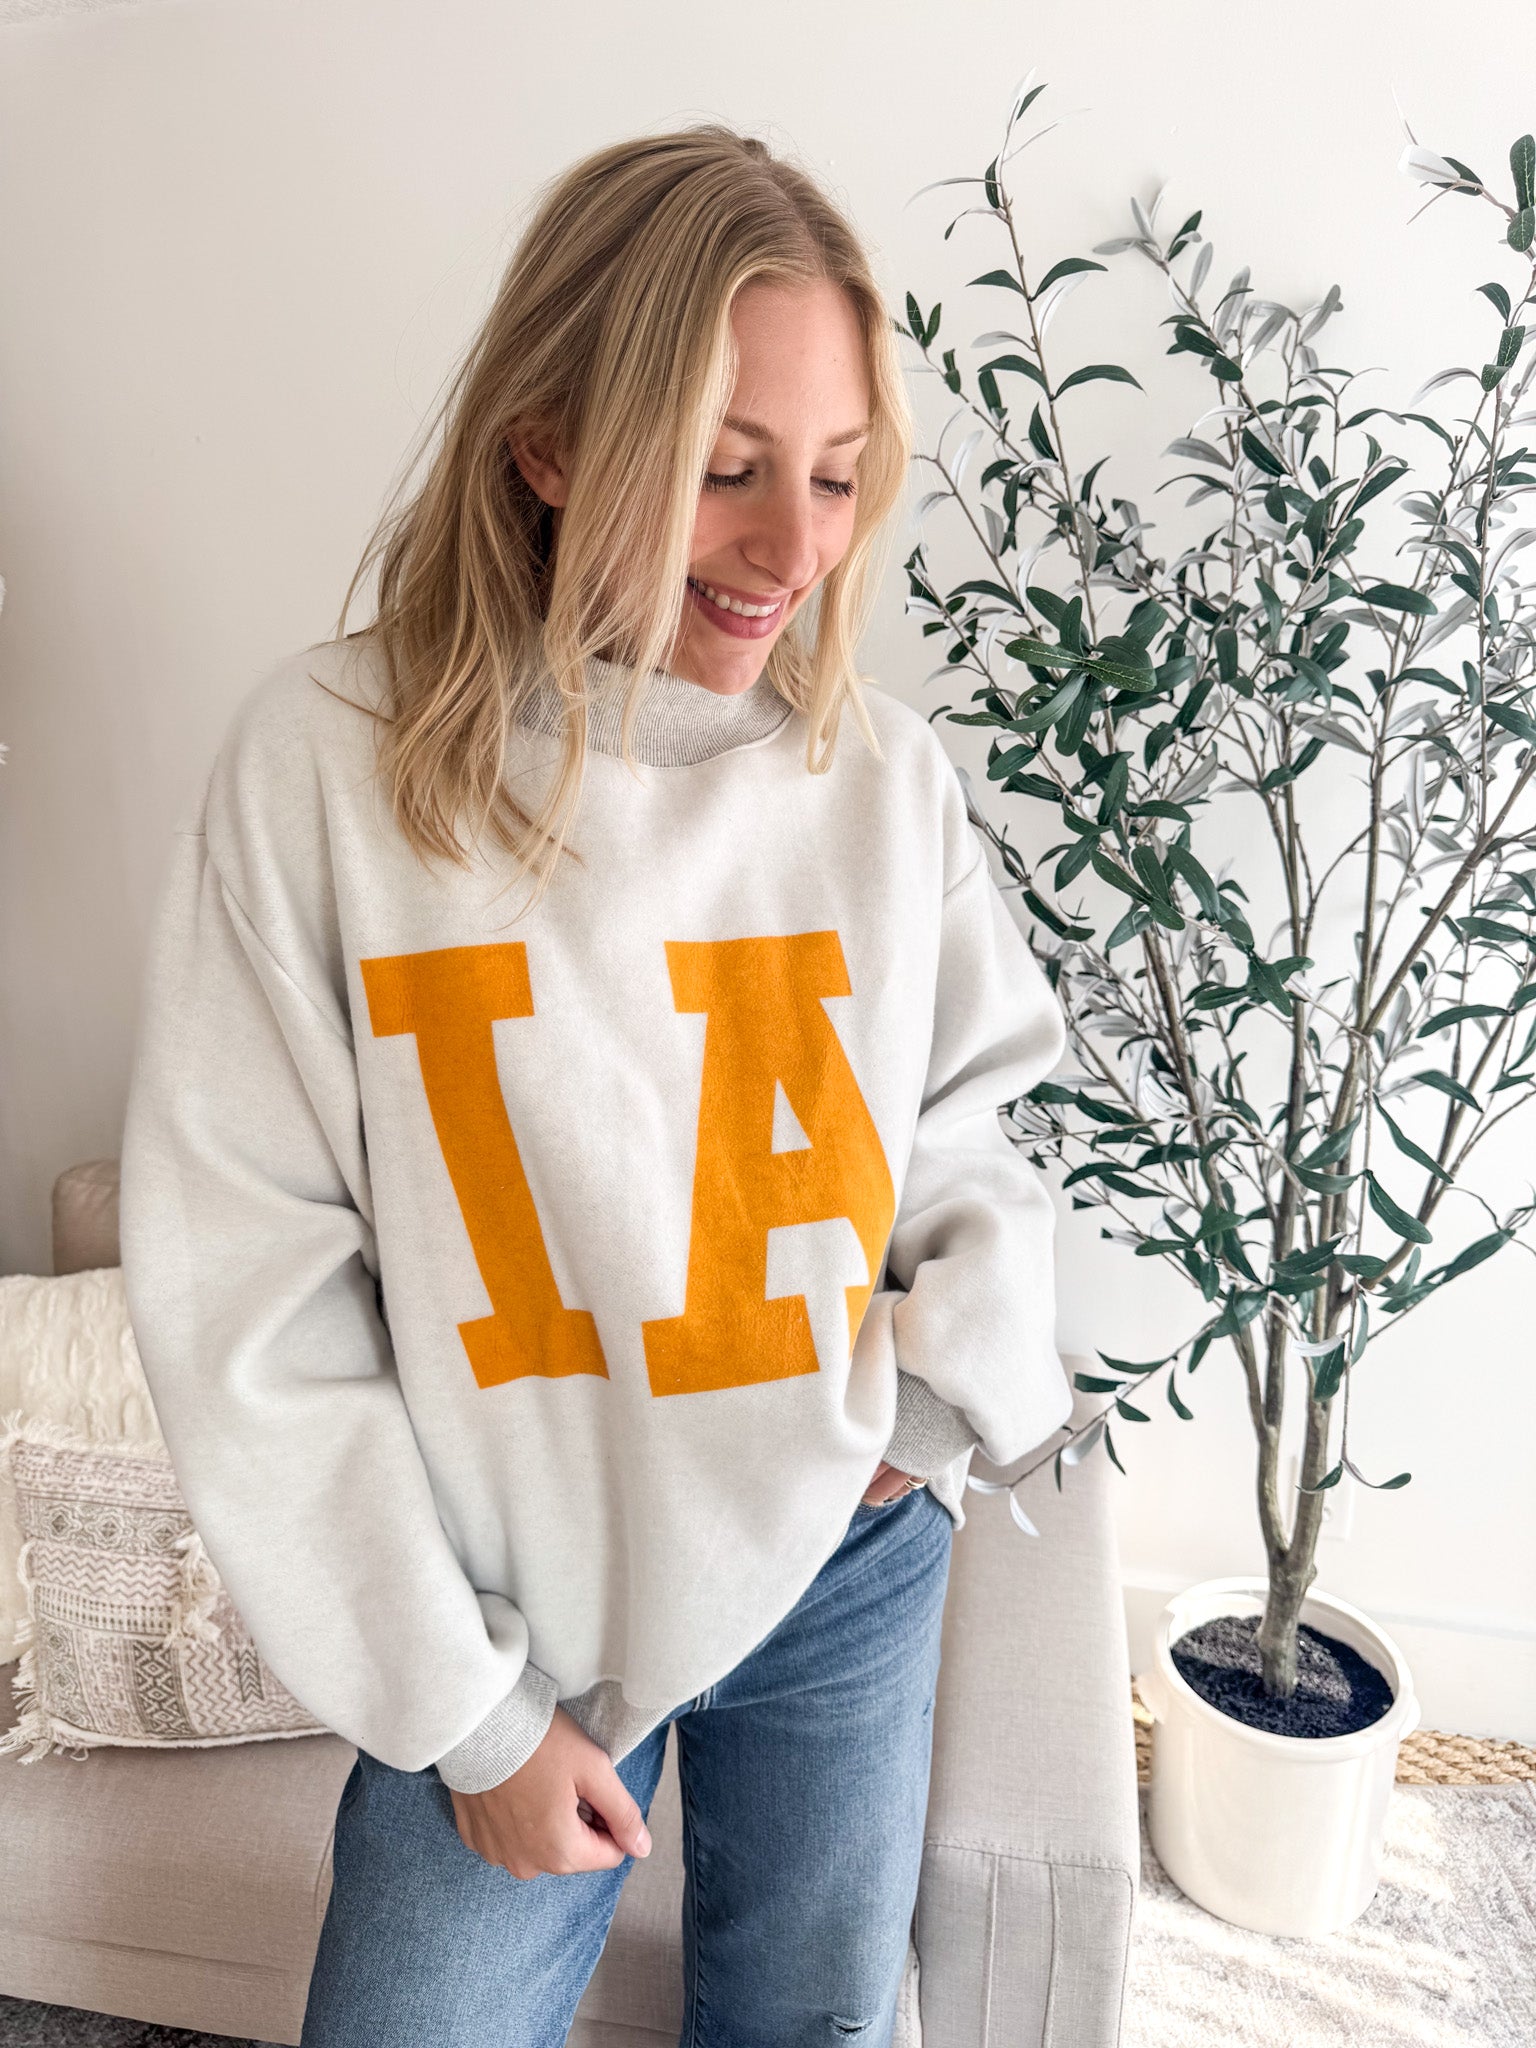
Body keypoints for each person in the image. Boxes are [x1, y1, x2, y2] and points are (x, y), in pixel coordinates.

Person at [118, 122, 1072, 2048]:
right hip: (517, 1607)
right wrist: (469, 1715)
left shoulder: (881, 784)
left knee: (810, 2028)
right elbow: (250, 1287)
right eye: (726, 468)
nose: (795, 550)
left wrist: (928, 1418)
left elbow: (981, 1126)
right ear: (548, 445)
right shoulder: (325, 773)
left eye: (836, 475)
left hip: (845, 1548)